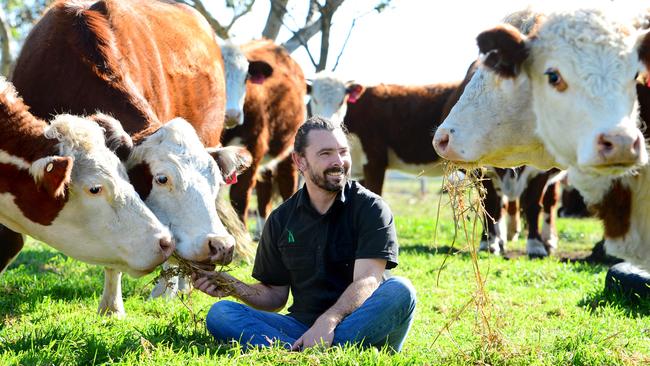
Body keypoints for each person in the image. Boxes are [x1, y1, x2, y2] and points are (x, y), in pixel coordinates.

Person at [193, 116, 416, 352]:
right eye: (326, 153)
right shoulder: (281, 220)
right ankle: (304, 352)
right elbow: (275, 296)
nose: (338, 161)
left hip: (363, 325)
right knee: (221, 313)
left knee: (401, 291)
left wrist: (329, 320)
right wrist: (232, 285)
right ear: (300, 161)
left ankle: (303, 352)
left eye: (343, 152)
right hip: (301, 327)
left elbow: (368, 280)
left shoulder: (371, 208)